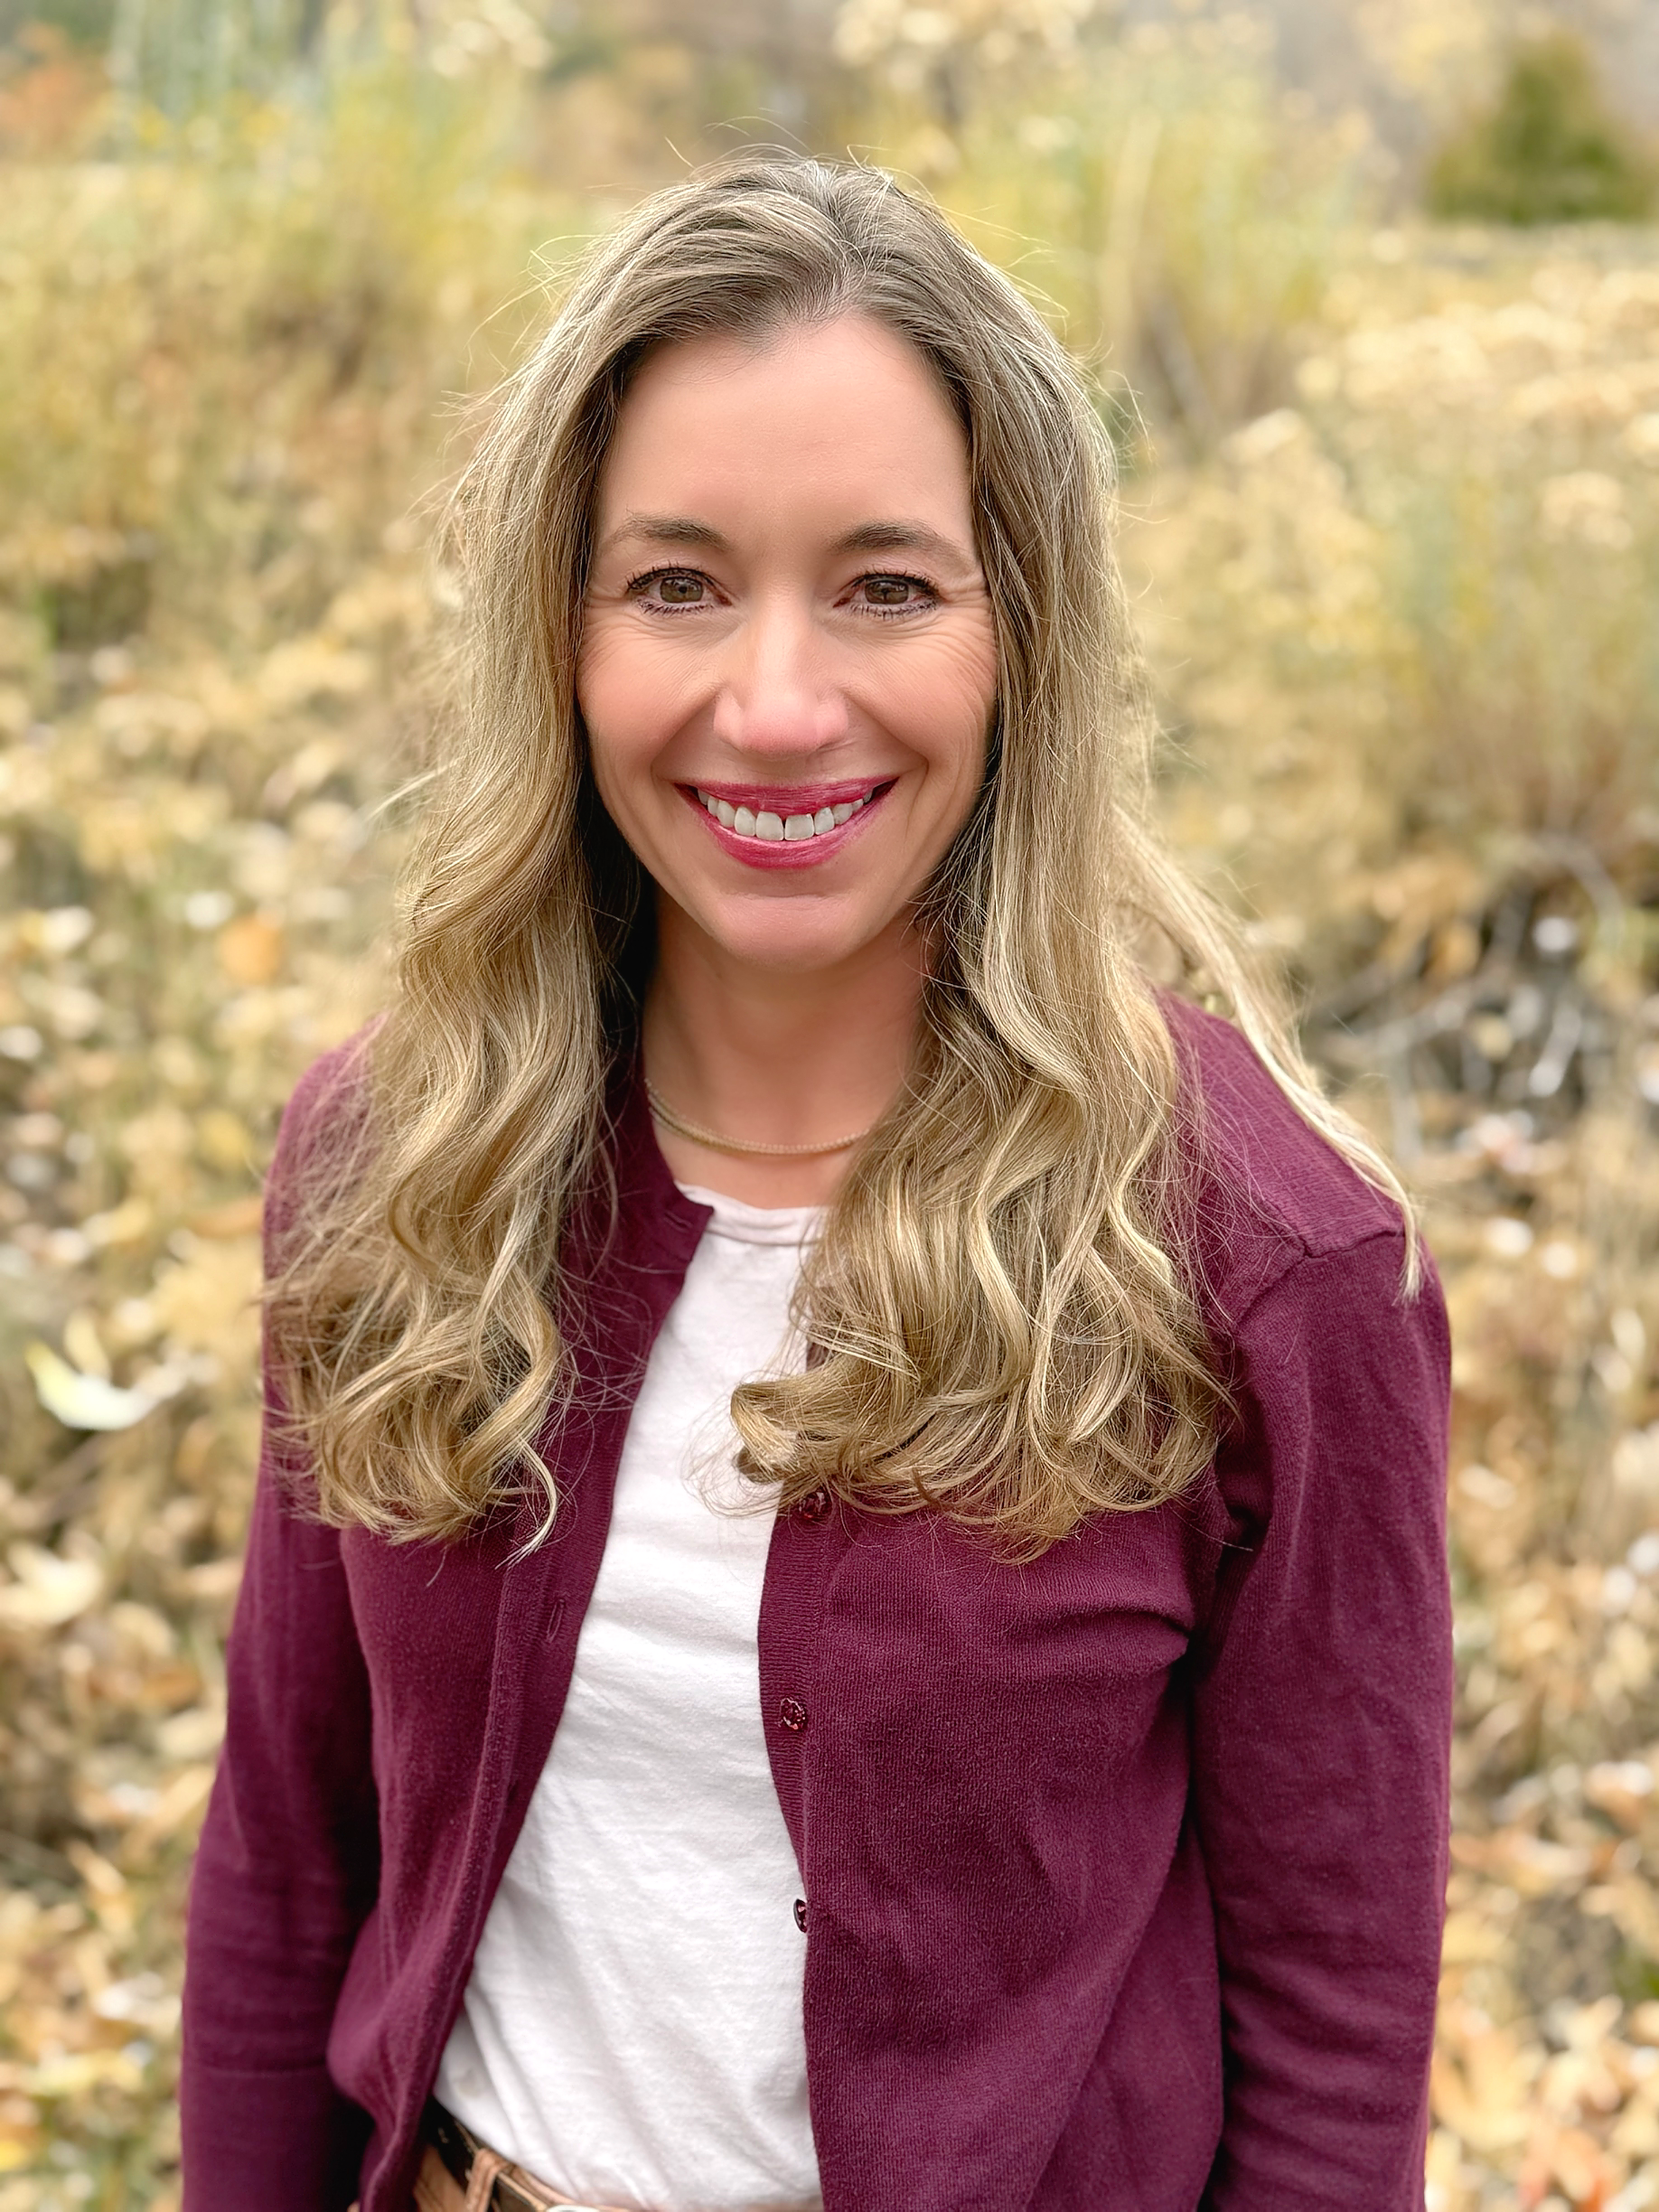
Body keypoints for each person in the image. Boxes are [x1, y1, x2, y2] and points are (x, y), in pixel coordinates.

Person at [180, 154, 1452, 2212]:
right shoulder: (393, 1168)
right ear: (560, 630)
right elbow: (285, 1862)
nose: (775, 707)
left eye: (886, 585)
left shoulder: (1269, 1263)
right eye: (675, 582)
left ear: (1020, 630)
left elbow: (1333, 2028)